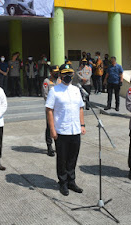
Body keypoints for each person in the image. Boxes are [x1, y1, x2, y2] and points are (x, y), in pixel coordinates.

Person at [46, 64, 86, 196]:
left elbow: (80, 107)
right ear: (61, 75)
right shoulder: (54, 90)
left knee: (73, 157)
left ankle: (71, 181)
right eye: (65, 74)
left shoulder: (76, 90)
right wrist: (52, 129)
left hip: (75, 130)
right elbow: (49, 110)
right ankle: (62, 182)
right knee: (62, 158)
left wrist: (82, 125)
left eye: (70, 74)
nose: (68, 76)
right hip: (61, 130)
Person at [42, 65, 60, 157]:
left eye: (58, 71)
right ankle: (49, 147)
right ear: (50, 72)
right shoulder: (46, 81)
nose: (57, 73)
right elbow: (45, 95)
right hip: (51, 108)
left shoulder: (60, 80)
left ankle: (58, 145)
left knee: (57, 126)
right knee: (49, 127)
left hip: (59, 108)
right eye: (55, 71)